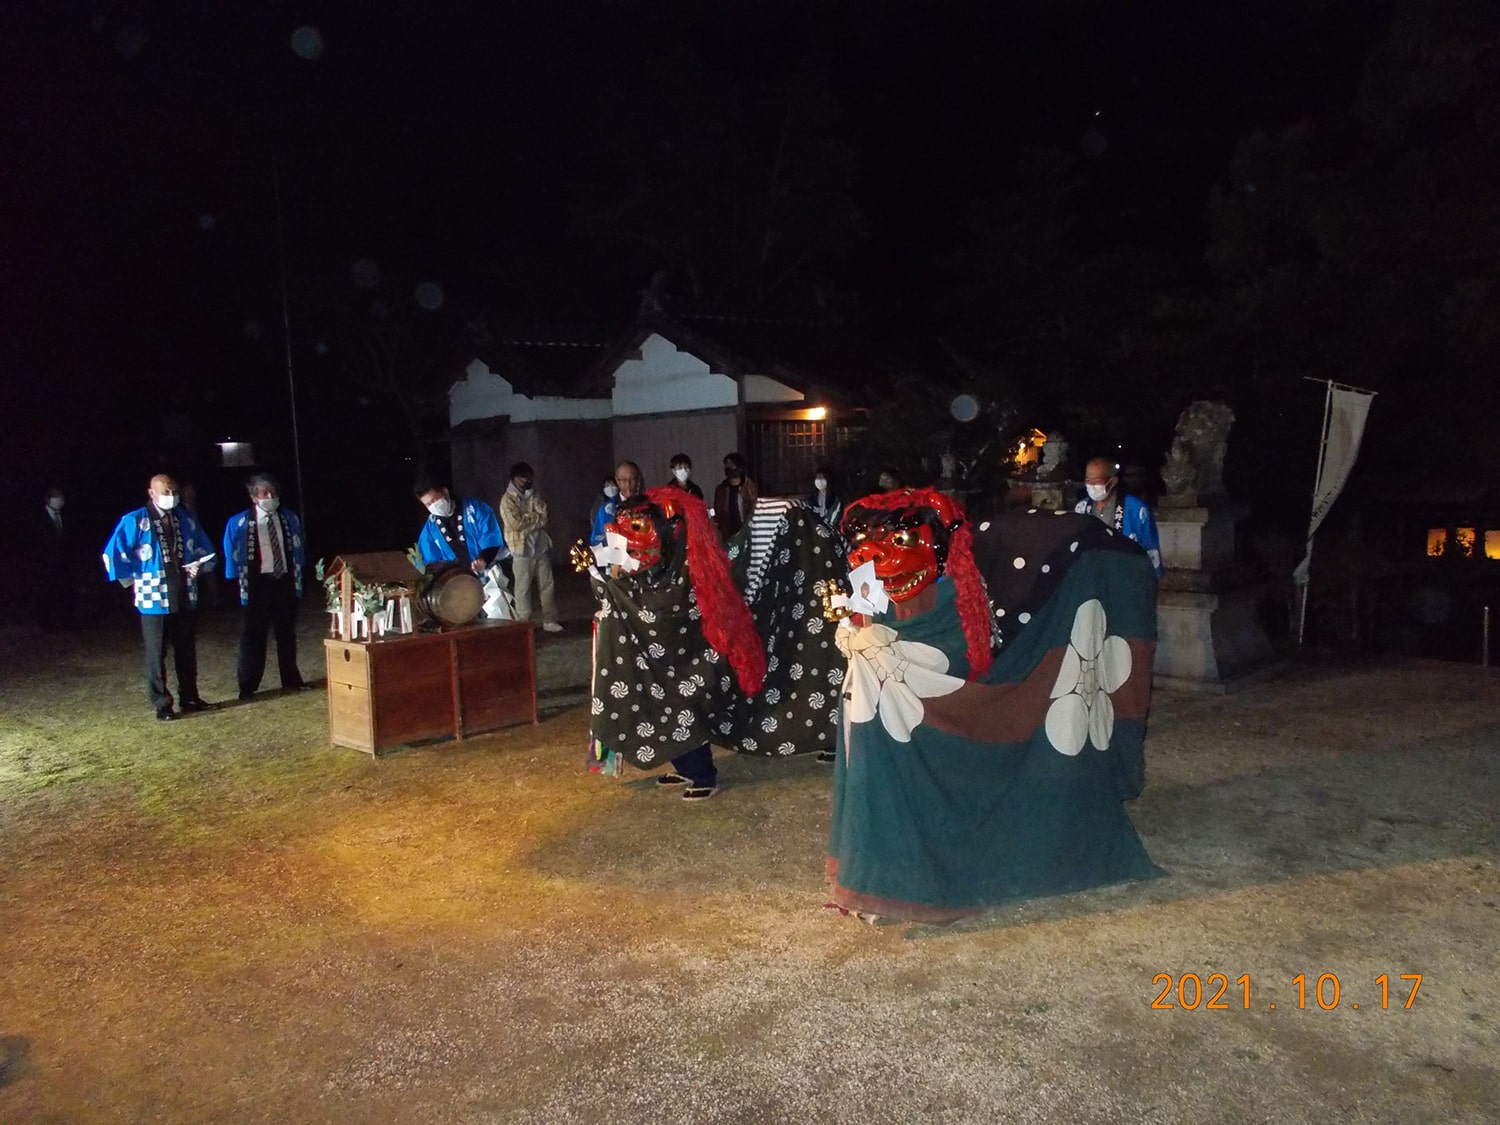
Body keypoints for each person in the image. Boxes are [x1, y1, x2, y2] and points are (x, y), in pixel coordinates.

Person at [102, 473, 215, 721]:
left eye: (174, 492)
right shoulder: (135, 520)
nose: (171, 497)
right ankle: (162, 703)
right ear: (152, 493)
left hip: (184, 592)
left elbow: (203, 550)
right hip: (153, 596)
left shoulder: (185, 518)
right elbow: (114, 553)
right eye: (166, 492)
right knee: (156, 653)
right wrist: (133, 581)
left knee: (186, 649)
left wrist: (199, 566)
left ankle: (190, 696)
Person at [223, 472, 307, 701]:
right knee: (253, 636)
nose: (270, 496)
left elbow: (298, 549)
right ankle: (247, 685)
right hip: (256, 584)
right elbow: (231, 555)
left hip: (284, 580)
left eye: (273, 492)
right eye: (264, 493)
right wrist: (235, 586)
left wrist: (299, 576)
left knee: (286, 633)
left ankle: (291, 678)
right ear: (254, 497)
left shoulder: (289, 517)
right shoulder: (239, 522)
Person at [499, 461, 563, 633]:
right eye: (522, 478)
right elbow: (514, 523)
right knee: (522, 588)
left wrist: (529, 518)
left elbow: (544, 517)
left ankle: (549, 620)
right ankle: (524, 623)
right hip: (521, 550)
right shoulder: (507, 500)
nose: (526, 481)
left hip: (540, 547)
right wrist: (534, 518)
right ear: (514, 478)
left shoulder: (534, 494)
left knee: (547, 585)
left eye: (528, 477)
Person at [1074, 457, 1163, 577]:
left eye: (1097, 481)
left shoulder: (1136, 509)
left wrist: (1150, 579)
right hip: (1092, 576)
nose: (1092, 485)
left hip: (1126, 575)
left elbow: (1149, 545)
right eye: (1088, 481)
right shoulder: (1081, 508)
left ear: (1113, 481)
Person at [414, 476, 506, 574]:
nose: (433, 506)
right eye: (428, 504)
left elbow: (491, 538)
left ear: (445, 492)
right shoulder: (431, 526)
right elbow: (426, 559)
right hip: (456, 580)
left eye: (434, 500)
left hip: (488, 572)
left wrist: (483, 560)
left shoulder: (475, 508)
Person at [37, 483, 74, 630]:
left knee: (62, 592)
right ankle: (46, 624)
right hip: (45, 563)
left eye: (62, 498)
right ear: (50, 500)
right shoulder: (39, 517)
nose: (61, 501)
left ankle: (63, 622)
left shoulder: (64, 516)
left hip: (62, 562)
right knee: (46, 592)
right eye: (57, 498)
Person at [592, 461, 641, 546]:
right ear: (617, 481)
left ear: (638, 480)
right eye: (624, 480)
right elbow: (596, 539)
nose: (628, 484)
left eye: (632, 479)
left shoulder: (648, 505)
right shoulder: (607, 509)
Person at [712, 452, 758, 538]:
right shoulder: (721, 489)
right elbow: (717, 511)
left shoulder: (749, 487)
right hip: (727, 533)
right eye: (726, 466)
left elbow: (753, 508)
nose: (728, 468)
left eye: (732, 465)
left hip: (746, 531)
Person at [588, 474, 620, 546]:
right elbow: (595, 521)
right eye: (607, 485)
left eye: (612, 484)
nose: (610, 488)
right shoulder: (599, 505)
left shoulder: (622, 502)